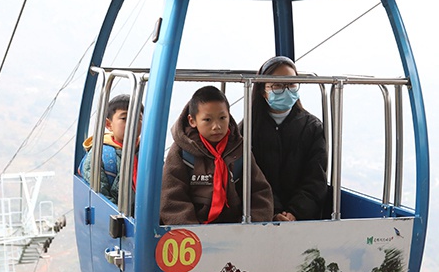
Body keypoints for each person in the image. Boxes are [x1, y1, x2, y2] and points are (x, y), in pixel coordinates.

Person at [160, 85, 273, 224]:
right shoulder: (181, 151)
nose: (216, 126)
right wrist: (192, 232)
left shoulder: (239, 150)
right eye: (207, 120)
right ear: (192, 121)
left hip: (235, 229)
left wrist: (250, 227)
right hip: (193, 231)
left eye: (222, 118)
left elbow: (260, 193)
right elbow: (171, 198)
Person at [248, 56, 328, 221]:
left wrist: (295, 213)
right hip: (260, 216)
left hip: (302, 219)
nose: (286, 90)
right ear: (263, 90)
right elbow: (248, 179)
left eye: (291, 84)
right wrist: (273, 213)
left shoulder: (312, 127)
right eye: (277, 85)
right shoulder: (249, 128)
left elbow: (315, 178)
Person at [80, 94, 142, 204]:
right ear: (109, 124)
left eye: (139, 118)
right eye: (125, 118)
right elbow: (101, 199)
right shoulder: (99, 156)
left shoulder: (148, 153)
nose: (133, 123)